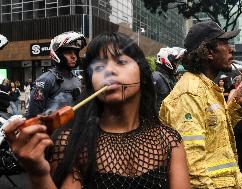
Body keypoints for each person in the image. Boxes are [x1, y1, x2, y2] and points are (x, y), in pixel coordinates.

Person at [3, 32, 190, 189]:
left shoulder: (170, 142)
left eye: (121, 62)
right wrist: (38, 174)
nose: (108, 71)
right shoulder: (71, 144)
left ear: (142, 74)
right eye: (99, 66)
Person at [159, 20, 242, 188]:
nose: (231, 49)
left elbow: (214, 132)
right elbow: (193, 171)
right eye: (224, 43)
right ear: (208, 52)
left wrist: (238, 105)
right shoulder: (189, 94)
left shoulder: (206, 87)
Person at [26, 31, 86, 118]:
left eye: (75, 52)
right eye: (68, 52)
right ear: (57, 54)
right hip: (52, 130)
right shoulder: (46, 80)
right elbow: (33, 115)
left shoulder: (77, 79)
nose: (74, 56)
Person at [152, 47, 186, 112]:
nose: (177, 65)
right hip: (159, 119)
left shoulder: (171, 77)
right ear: (167, 61)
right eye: (175, 62)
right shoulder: (156, 77)